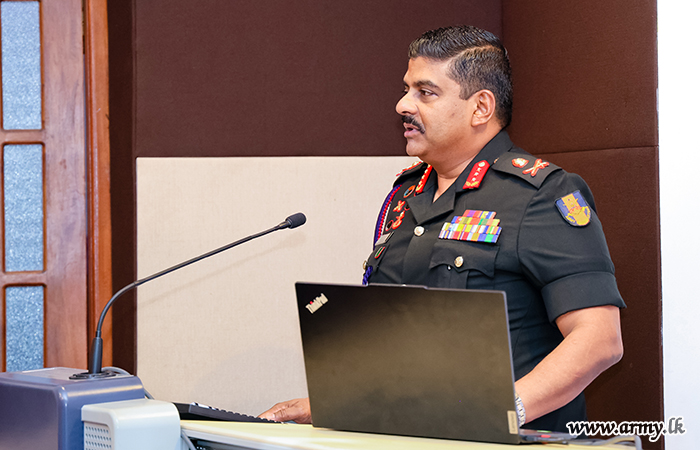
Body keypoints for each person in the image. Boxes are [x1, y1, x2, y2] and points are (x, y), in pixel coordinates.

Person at [260, 25, 624, 433]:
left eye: (425, 92)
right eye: (406, 89)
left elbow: (599, 341)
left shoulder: (540, 194)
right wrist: (334, 403)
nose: (402, 105)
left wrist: (502, 413)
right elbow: (398, 344)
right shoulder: (405, 195)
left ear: (480, 107)